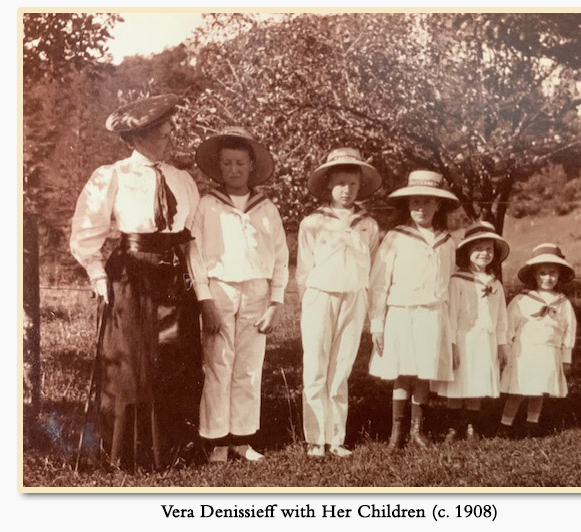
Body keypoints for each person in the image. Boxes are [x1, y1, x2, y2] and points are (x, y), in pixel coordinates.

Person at [69, 94, 202, 470]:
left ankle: (172, 450)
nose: (171, 136)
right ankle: (127, 454)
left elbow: (192, 236)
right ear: (139, 137)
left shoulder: (181, 179)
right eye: (163, 131)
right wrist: (98, 275)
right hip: (131, 274)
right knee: (131, 364)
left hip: (174, 275)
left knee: (174, 358)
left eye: (170, 129)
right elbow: (85, 233)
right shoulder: (112, 176)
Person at [188, 126, 289, 463]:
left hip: (257, 292)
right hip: (220, 290)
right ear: (219, 167)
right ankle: (216, 440)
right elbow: (196, 255)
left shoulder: (266, 208)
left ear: (251, 166)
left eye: (240, 163)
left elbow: (280, 256)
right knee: (219, 363)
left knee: (248, 367)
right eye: (227, 163)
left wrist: (276, 301)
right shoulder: (207, 206)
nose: (234, 170)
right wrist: (205, 299)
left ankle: (243, 440)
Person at [297, 148, 382, 458]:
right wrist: (308, 300)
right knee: (316, 366)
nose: (347, 191)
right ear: (329, 184)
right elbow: (304, 269)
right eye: (341, 183)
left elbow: (371, 266)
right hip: (321, 295)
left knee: (342, 366)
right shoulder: (312, 223)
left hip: (354, 296)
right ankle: (315, 439)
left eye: (353, 184)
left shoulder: (368, 224)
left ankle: (336, 437)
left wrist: (372, 308)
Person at [368, 170, 459, 451]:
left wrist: (450, 330)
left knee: (423, 371)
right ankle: (397, 432)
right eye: (414, 202)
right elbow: (379, 281)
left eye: (426, 202)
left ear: (438, 205)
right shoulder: (396, 237)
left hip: (432, 314)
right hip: (401, 312)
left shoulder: (447, 241)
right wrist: (377, 323)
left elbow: (448, 286)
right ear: (408, 206)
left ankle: (418, 431)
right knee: (402, 371)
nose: (420, 208)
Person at [431, 222, 510, 441]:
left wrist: (502, 344)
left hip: (486, 339)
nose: (484, 253)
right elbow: (452, 315)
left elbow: (501, 317)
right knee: (458, 383)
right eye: (478, 248)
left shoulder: (495, 284)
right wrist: (452, 345)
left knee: (477, 382)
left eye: (489, 249)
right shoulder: (457, 281)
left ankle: (472, 426)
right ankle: (453, 426)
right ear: (468, 251)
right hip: (463, 339)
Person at [499, 243, 578, 438]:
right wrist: (506, 351)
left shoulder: (563, 302)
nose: (547, 278)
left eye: (552, 273)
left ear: (559, 275)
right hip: (524, 352)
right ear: (534, 275)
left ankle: (531, 425)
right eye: (542, 273)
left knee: (539, 390)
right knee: (517, 390)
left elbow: (569, 330)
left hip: (548, 351)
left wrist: (566, 357)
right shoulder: (522, 300)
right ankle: (505, 425)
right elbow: (509, 326)